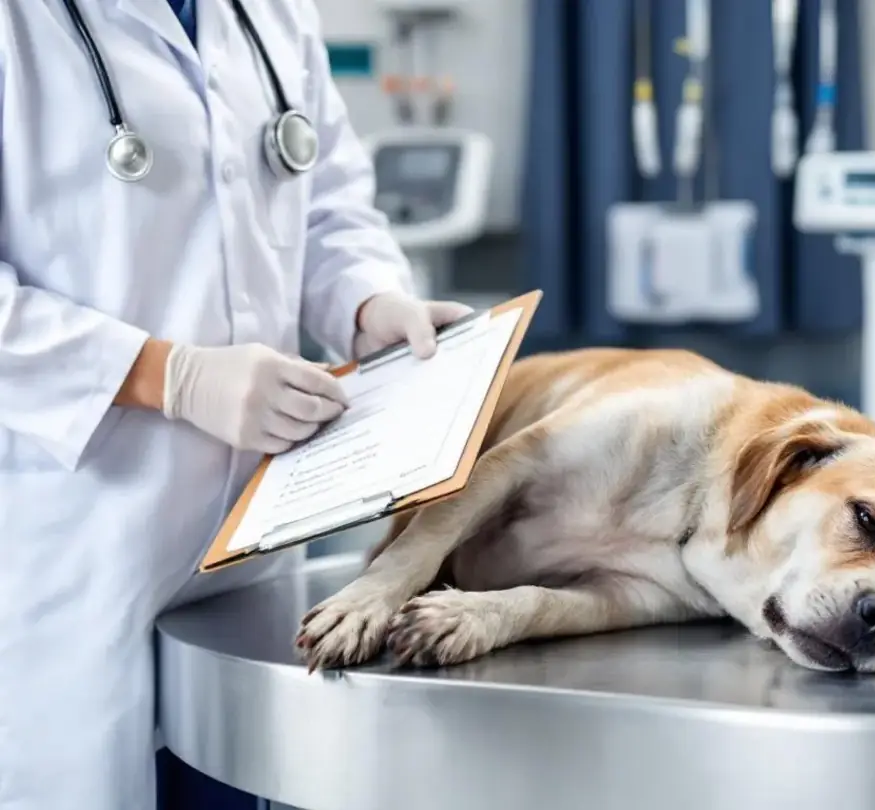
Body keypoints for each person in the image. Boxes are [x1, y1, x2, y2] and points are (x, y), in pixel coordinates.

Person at [0, 1, 471, 807]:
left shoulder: (271, 11)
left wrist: (369, 303)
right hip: (72, 551)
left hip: (252, 549)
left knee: (239, 776)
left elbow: (326, 202)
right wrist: (170, 376)